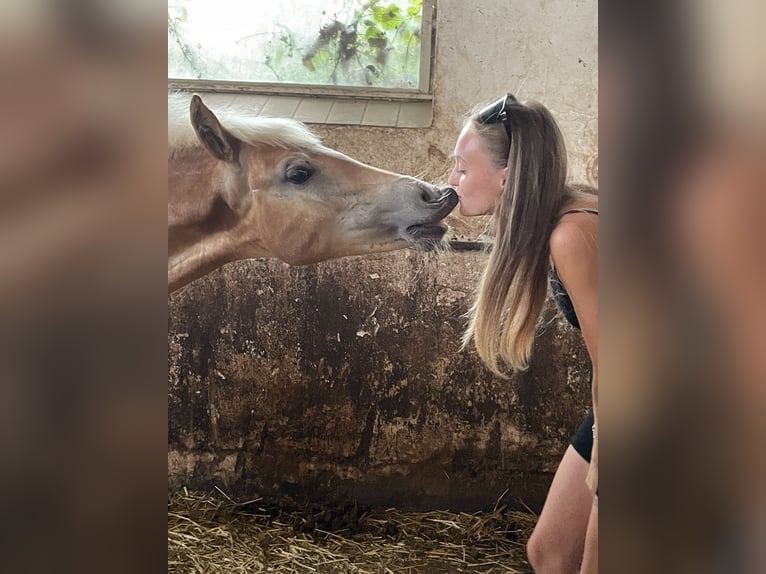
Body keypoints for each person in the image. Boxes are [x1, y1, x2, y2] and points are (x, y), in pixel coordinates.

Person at [448, 94, 598, 573]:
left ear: (506, 180)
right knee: (550, 552)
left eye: (461, 169)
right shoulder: (562, 214)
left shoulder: (570, 236)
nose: (451, 181)